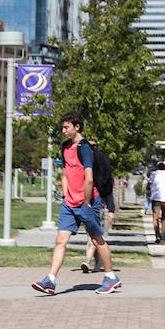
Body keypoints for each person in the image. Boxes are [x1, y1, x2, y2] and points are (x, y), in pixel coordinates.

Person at [31, 112, 120, 295]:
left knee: (96, 239)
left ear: (77, 127)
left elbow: (88, 178)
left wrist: (87, 202)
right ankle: (50, 280)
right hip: (69, 204)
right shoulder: (65, 147)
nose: (63, 131)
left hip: (87, 202)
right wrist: (66, 195)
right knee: (60, 241)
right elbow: (66, 173)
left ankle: (111, 277)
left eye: (66, 127)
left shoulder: (85, 148)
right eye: (62, 127)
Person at [82, 140, 116, 273]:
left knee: (94, 236)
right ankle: (95, 262)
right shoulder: (98, 165)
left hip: (96, 205)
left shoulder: (95, 167)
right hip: (93, 205)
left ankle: (88, 260)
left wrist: (111, 209)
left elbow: (108, 190)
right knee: (94, 236)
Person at [150, 161, 165, 243]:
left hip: (156, 198)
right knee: (164, 217)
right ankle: (163, 235)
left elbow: (149, 184)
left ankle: (157, 235)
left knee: (155, 217)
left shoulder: (154, 174)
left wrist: (149, 193)